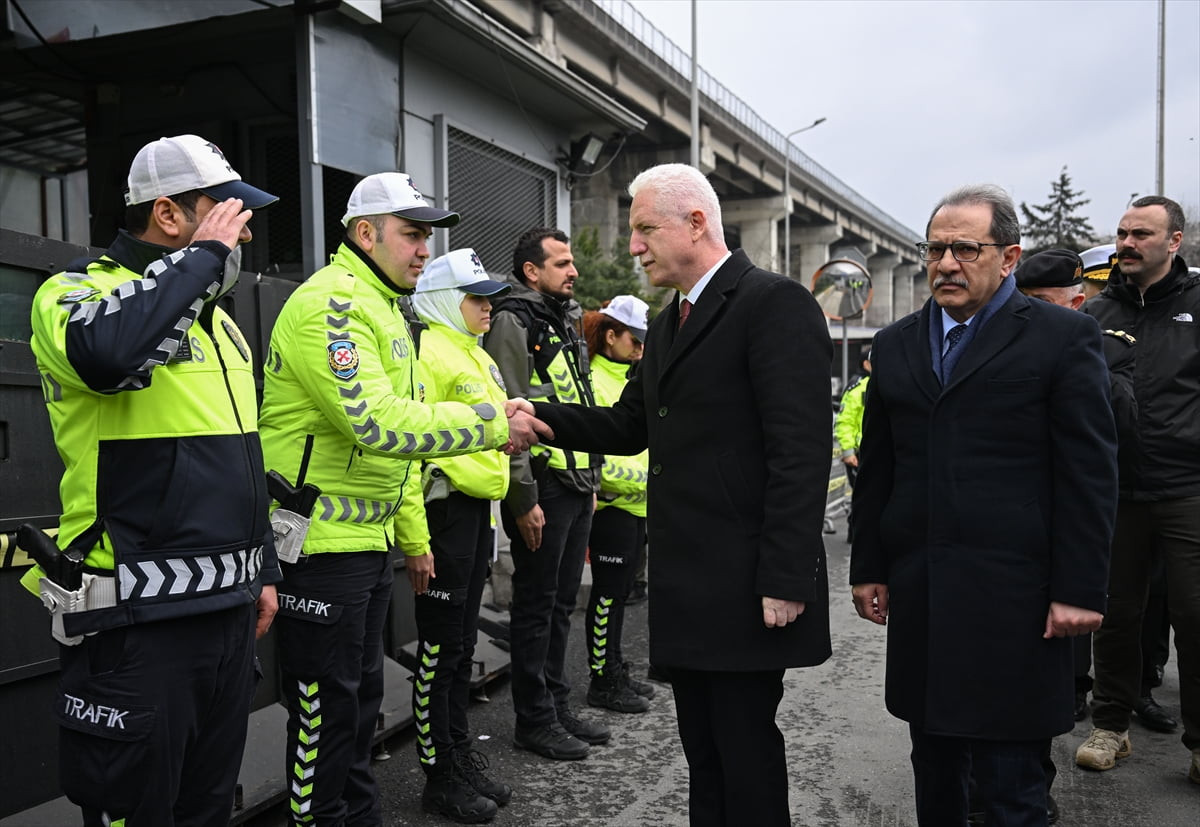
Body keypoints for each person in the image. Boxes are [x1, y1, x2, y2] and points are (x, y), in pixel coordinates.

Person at [521, 163, 834, 826]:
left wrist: (786, 575)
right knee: (705, 752)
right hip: (689, 581)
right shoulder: (670, 324)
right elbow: (629, 425)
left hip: (748, 584)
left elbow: (799, 452)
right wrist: (541, 415)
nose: (633, 246)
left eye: (643, 229)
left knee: (745, 749)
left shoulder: (771, 304)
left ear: (696, 222)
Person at [258, 172, 548, 825]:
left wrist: (409, 533)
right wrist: (493, 423)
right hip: (318, 545)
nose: (424, 249)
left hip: (362, 542)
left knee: (356, 707)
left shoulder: (385, 308)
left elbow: (407, 434)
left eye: (427, 236)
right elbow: (379, 423)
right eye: (412, 234)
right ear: (366, 233)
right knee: (322, 714)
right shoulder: (331, 306)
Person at [23, 134, 282, 826]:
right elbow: (109, 356)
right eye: (226, 212)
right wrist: (202, 262)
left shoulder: (222, 327)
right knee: (134, 811)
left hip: (224, 614)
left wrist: (260, 568)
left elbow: (240, 463)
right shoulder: (74, 292)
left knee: (206, 808)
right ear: (168, 215)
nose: (242, 229)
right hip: (136, 620)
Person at [849, 184, 1118, 826]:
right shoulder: (895, 345)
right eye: (936, 248)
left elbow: (1088, 472)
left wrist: (1080, 588)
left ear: (1008, 257)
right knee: (936, 776)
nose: (946, 263)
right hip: (926, 599)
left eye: (965, 248)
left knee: (1010, 789)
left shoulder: (1063, 337)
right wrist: (868, 565)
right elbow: (880, 466)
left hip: (1017, 602)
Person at [1075, 195, 1200, 784]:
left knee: (1194, 614)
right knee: (1117, 615)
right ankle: (1110, 726)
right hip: (1117, 491)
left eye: (1141, 234)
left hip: (1187, 489)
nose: (1126, 243)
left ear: (1174, 241)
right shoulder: (1094, 314)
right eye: (1122, 232)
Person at [483, 227, 610, 761]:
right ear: (531, 271)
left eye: (572, 261)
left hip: (576, 484)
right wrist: (524, 497)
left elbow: (576, 402)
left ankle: (555, 707)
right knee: (536, 606)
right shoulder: (515, 320)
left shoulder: (564, 318)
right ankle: (533, 720)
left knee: (560, 604)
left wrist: (592, 481)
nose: (573, 270)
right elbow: (512, 416)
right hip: (545, 487)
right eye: (561, 263)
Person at [409, 247, 515, 823]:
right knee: (439, 651)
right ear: (446, 301)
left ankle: (457, 755)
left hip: (476, 511)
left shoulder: (473, 354)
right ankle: (439, 775)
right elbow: (419, 441)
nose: (488, 308)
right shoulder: (430, 351)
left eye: (490, 299)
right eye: (477, 298)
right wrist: (417, 536)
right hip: (444, 512)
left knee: (459, 648)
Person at [580, 295, 655, 714]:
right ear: (611, 335)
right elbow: (600, 455)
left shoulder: (630, 377)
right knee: (607, 597)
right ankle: (602, 680)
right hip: (613, 509)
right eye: (635, 339)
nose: (641, 348)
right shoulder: (593, 379)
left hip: (637, 508)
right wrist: (642, 484)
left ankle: (614, 667)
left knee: (622, 593)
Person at [834, 351, 871, 542]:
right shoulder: (857, 388)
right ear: (866, 364)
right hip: (859, 454)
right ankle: (856, 536)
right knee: (863, 498)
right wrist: (848, 452)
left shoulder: (881, 382)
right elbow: (845, 421)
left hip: (875, 451)